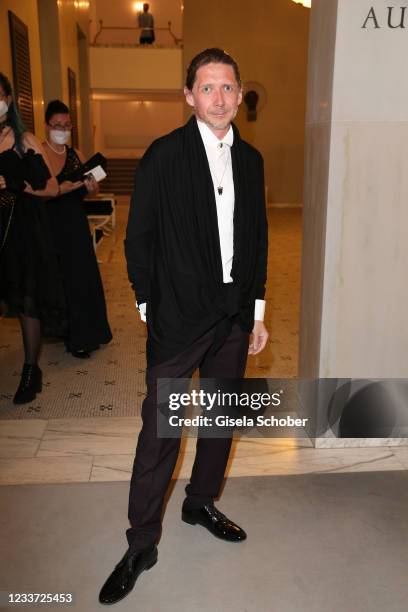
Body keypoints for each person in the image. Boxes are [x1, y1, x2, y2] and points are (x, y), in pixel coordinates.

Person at [99, 48, 269, 605]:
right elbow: (138, 237)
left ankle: (199, 504)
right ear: (189, 95)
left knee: (221, 423)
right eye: (207, 87)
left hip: (233, 318)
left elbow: (259, 238)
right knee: (161, 434)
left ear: (239, 96)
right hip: (177, 320)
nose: (218, 98)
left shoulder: (252, 160)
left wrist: (257, 314)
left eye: (228, 87)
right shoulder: (164, 156)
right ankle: (141, 542)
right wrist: (149, 305)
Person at [0, 73, 63, 405]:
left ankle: (29, 369)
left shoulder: (25, 141)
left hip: (21, 228)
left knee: (25, 299)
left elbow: (50, 187)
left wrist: (13, 183)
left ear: (8, 100)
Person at [43, 100, 112, 358]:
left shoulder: (77, 154)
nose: (62, 129)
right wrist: (66, 187)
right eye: (57, 125)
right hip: (49, 223)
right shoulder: (39, 152)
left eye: (66, 124)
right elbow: (41, 192)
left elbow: (91, 188)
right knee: (58, 279)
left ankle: (86, 333)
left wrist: (93, 187)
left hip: (74, 222)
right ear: (47, 125)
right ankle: (63, 330)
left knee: (82, 277)